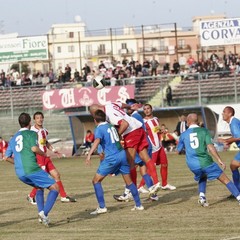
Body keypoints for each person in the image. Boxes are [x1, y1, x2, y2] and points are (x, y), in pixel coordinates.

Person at [89, 102, 160, 195]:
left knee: (129, 164)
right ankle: (154, 184)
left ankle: (129, 192)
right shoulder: (110, 104)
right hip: (138, 129)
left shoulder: (110, 116)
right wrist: (129, 106)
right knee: (145, 159)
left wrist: (117, 136)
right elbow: (121, 104)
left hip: (131, 133)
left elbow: (124, 123)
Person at [3, 112, 59, 226]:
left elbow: (6, 157)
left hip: (20, 172)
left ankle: (41, 216)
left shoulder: (13, 138)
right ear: (30, 122)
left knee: (39, 187)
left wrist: (18, 163)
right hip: (31, 169)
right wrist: (44, 154)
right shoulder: (31, 133)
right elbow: (34, 148)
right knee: (55, 188)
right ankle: (44, 214)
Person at [85, 109, 144, 214]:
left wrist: (89, 154)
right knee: (129, 182)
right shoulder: (111, 126)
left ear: (95, 120)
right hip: (122, 155)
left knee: (96, 181)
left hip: (112, 157)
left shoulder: (99, 128)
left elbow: (97, 140)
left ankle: (102, 207)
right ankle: (139, 205)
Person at [177, 113, 240, 206]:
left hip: (192, 165)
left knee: (202, 176)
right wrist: (219, 159)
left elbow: (178, 150)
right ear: (197, 122)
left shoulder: (183, 134)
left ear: (188, 122)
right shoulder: (204, 131)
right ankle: (239, 197)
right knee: (225, 179)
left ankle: (202, 196)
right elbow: (210, 147)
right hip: (205, 162)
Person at [113, 99, 159, 202]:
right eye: (126, 107)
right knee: (142, 170)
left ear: (134, 106)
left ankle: (127, 193)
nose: (127, 109)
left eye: (129, 106)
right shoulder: (135, 116)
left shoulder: (135, 116)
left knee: (129, 167)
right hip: (143, 144)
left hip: (139, 144)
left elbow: (136, 132)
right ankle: (153, 193)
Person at [27, 111, 76, 204]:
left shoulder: (44, 130)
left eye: (41, 118)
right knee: (41, 177)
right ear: (34, 120)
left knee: (56, 175)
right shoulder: (32, 131)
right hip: (39, 156)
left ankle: (63, 196)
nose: (40, 119)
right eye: (37, 118)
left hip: (45, 156)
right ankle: (31, 196)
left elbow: (45, 142)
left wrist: (53, 150)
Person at [141, 104, 176, 190]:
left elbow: (156, 131)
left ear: (151, 109)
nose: (146, 110)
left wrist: (161, 131)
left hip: (159, 147)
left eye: (148, 108)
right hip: (152, 148)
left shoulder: (156, 119)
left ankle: (164, 184)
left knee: (164, 164)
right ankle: (140, 186)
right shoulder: (143, 122)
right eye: (144, 109)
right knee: (150, 169)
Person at [218, 106, 240, 194]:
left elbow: (238, 137)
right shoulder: (233, 122)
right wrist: (228, 141)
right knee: (233, 165)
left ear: (229, 113)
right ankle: (237, 190)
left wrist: (226, 140)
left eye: (224, 112)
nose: (222, 114)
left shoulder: (233, 123)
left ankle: (237, 191)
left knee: (233, 166)